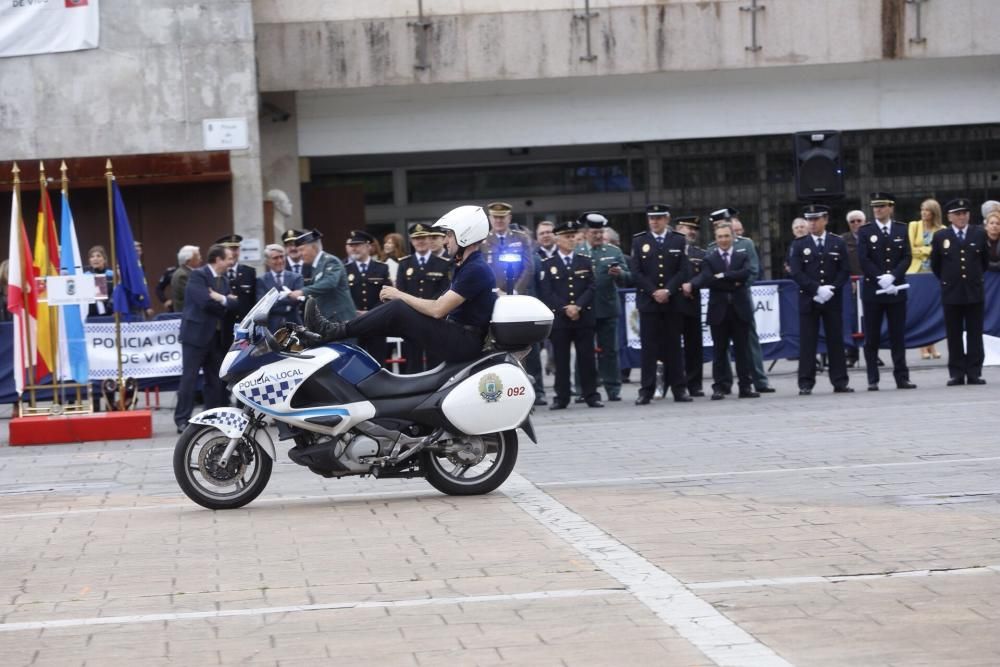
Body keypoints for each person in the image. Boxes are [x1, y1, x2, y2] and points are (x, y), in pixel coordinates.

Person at [303, 206, 497, 365]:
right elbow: (438, 305)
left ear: (465, 235)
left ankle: (331, 331)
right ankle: (323, 335)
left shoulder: (475, 269)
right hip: (459, 336)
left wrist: (399, 294)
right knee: (391, 316)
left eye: (449, 234)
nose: (445, 240)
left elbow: (438, 309)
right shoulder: (467, 265)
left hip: (464, 342)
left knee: (398, 307)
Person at [707, 209, 775, 393]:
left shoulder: (745, 244)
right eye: (716, 226)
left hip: (741, 298)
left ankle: (759, 380)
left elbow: (753, 271)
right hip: (722, 302)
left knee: (749, 342)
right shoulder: (712, 247)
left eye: (723, 224)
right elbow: (710, 276)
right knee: (722, 346)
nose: (720, 230)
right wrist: (731, 281)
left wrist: (737, 284)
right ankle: (725, 383)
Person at [788, 204, 853, 395]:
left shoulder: (837, 242)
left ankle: (840, 381)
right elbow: (797, 273)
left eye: (816, 219)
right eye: (809, 219)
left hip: (832, 298)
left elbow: (845, 269)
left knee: (835, 340)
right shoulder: (799, 244)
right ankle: (806, 382)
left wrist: (832, 288)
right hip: (810, 298)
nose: (812, 223)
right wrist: (816, 289)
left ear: (825, 219)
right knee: (808, 341)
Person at [174, 244, 239, 433]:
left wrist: (221, 298)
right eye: (228, 258)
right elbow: (204, 302)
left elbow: (235, 305)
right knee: (189, 378)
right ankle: (182, 419)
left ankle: (211, 416)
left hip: (216, 338)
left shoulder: (224, 280)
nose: (231, 262)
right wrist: (225, 301)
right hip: (195, 336)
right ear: (218, 260)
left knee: (215, 379)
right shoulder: (198, 275)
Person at [631, 203, 692, 405]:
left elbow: (683, 271)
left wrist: (668, 290)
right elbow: (636, 272)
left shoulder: (678, 239)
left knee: (674, 347)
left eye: (658, 218)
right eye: (651, 218)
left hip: (672, 302)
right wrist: (653, 291)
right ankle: (646, 390)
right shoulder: (640, 241)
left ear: (667, 219)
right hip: (649, 302)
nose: (654, 222)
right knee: (649, 348)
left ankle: (679, 389)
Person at [539, 219, 603, 409]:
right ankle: (562, 396)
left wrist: (578, 307)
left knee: (587, 359)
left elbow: (592, 287)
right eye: (567, 237)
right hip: (561, 318)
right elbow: (547, 291)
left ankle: (591, 395)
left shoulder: (584, 260)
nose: (571, 240)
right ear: (558, 239)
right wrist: (565, 308)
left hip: (583, 316)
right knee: (561, 360)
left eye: (573, 237)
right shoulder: (549, 263)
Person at [692, 223, 758, 400]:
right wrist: (732, 280)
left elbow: (746, 273)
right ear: (716, 238)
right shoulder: (709, 259)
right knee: (719, 352)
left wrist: (723, 276)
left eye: (726, 236)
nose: (723, 240)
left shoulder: (741, 256)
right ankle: (719, 387)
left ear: (733, 237)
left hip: (739, 310)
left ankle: (745, 386)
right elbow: (708, 280)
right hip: (718, 311)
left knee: (742, 351)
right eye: (720, 236)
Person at [857, 192, 916, 391]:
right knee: (872, 336)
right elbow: (864, 259)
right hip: (874, 290)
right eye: (875, 207)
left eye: (882, 206)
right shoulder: (866, 231)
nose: (878, 210)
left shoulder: (901, 228)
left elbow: (906, 256)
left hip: (896, 289)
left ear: (891, 207)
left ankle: (902, 377)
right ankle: (872, 378)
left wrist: (893, 276)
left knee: (897, 335)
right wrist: (880, 278)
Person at [930, 198, 990, 386]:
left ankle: (974, 372)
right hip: (952, 291)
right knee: (954, 334)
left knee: (974, 333)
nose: (962, 217)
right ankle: (956, 372)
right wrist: (949, 281)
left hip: (973, 291)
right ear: (949, 217)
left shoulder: (979, 234)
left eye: (964, 213)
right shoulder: (941, 236)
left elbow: (984, 262)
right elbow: (936, 265)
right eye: (957, 214)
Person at [580, 212, 630, 402]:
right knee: (585, 352)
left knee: (610, 351)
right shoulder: (578, 252)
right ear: (586, 233)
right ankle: (583, 389)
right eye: (595, 232)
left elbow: (628, 276)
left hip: (607, 308)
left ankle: (613, 388)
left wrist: (619, 274)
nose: (599, 236)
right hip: (585, 309)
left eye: (601, 232)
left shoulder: (613, 252)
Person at [394, 223, 453, 372]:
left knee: (436, 361)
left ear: (429, 239)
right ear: (412, 241)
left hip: (434, 319)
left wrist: (429, 308)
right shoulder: (404, 264)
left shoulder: (443, 264)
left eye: (424, 238)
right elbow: (401, 291)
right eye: (416, 239)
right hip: (411, 319)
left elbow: (444, 290)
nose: (420, 242)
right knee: (412, 362)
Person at [287, 229, 357, 324]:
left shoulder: (330, 261)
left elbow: (329, 283)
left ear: (314, 248)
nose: (300, 254)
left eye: (302, 250)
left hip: (340, 320)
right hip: (330, 320)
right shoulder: (317, 265)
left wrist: (302, 292)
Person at [344, 230, 392, 365]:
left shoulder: (381, 268)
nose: (354, 248)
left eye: (358, 244)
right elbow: (343, 295)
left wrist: (372, 312)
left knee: (377, 360)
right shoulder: (345, 269)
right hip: (353, 321)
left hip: (376, 321)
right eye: (352, 245)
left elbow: (387, 294)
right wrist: (354, 311)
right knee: (353, 361)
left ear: (368, 246)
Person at [907, 199, 945, 360]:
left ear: (934, 213)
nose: (923, 213)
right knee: (920, 309)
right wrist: (928, 250)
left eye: (927, 210)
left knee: (932, 310)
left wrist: (923, 250)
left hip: (934, 273)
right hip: (916, 272)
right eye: (922, 209)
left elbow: (941, 251)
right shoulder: (914, 226)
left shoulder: (942, 229)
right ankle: (923, 348)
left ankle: (932, 346)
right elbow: (911, 250)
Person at [676, 216, 706, 397]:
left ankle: (694, 384)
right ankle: (675, 383)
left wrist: (692, 285)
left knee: (694, 346)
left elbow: (705, 274)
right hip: (673, 304)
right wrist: (680, 287)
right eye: (688, 228)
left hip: (692, 303)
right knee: (671, 347)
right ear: (679, 229)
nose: (692, 232)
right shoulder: (670, 251)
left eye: (695, 229)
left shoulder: (699, 253)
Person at [481, 202, 534, 294]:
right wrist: (493, 291)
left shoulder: (521, 238)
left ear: (509, 218)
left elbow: (528, 268)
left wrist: (515, 291)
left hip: (517, 294)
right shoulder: (482, 241)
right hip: (491, 293)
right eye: (495, 217)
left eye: (502, 217)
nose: (498, 220)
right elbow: (479, 270)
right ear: (490, 218)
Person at [215, 234, 257, 349]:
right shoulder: (216, 274)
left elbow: (254, 301)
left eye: (236, 249)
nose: (233, 253)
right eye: (230, 249)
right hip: (223, 329)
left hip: (244, 329)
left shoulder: (249, 272)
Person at [255, 243, 303, 331]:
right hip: (272, 327)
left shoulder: (296, 277)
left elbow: (298, 300)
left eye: (282, 257)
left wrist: (275, 300)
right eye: (275, 258)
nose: (280, 261)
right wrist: (288, 298)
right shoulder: (261, 280)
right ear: (267, 261)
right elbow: (263, 304)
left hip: (294, 325)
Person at [841, 210, 867, 366]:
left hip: (869, 282)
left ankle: (872, 352)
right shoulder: (843, 240)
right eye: (852, 221)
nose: (856, 224)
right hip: (852, 284)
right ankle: (852, 353)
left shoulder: (871, 236)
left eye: (859, 221)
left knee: (869, 320)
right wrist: (848, 279)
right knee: (852, 320)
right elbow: (842, 262)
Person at [169, 245, 201, 313]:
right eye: (198, 256)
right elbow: (194, 295)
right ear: (188, 260)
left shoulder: (188, 272)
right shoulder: (182, 275)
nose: (201, 259)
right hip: (187, 316)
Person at [84, 245, 114, 317]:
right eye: (92, 257)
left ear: (104, 259)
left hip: (110, 315)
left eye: (98, 256)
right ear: (89, 261)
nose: (95, 259)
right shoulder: (85, 277)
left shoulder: (112, 275)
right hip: (90, 315)